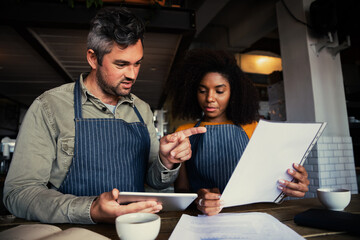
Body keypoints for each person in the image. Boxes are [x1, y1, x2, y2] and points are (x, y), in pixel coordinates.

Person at [3, 7, 206, 224]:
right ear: (93, 58)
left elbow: (155, 183)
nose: (132, 74)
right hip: (70, 234)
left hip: (133, 230)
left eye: (137, 63)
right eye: (121, 64)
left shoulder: (142, 110)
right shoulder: (49, 107)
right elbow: (19, 194)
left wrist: (166, 161)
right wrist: (89, 209)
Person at [168, 49, 310, 216]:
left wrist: (290, 186)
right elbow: (181, 190)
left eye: (219, 91)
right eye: (202, 90)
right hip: (202, 218)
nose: (210, 98)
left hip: (250, 215)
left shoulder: (254, 128)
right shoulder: (183, 132)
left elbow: (268, 183)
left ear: (233, 93)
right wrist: (199, 200)